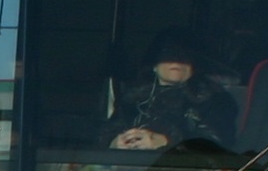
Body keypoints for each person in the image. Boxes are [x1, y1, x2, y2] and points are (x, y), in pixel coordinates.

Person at [101, 28, 237, 151]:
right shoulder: (132, 99)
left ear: (194, 64)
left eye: (184, 54)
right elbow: (106, 133)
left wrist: (168, 142)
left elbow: (217, 145)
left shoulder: (214, 99)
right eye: (169, 54)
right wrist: (114, 143)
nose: (176, 60)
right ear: (154, 64)